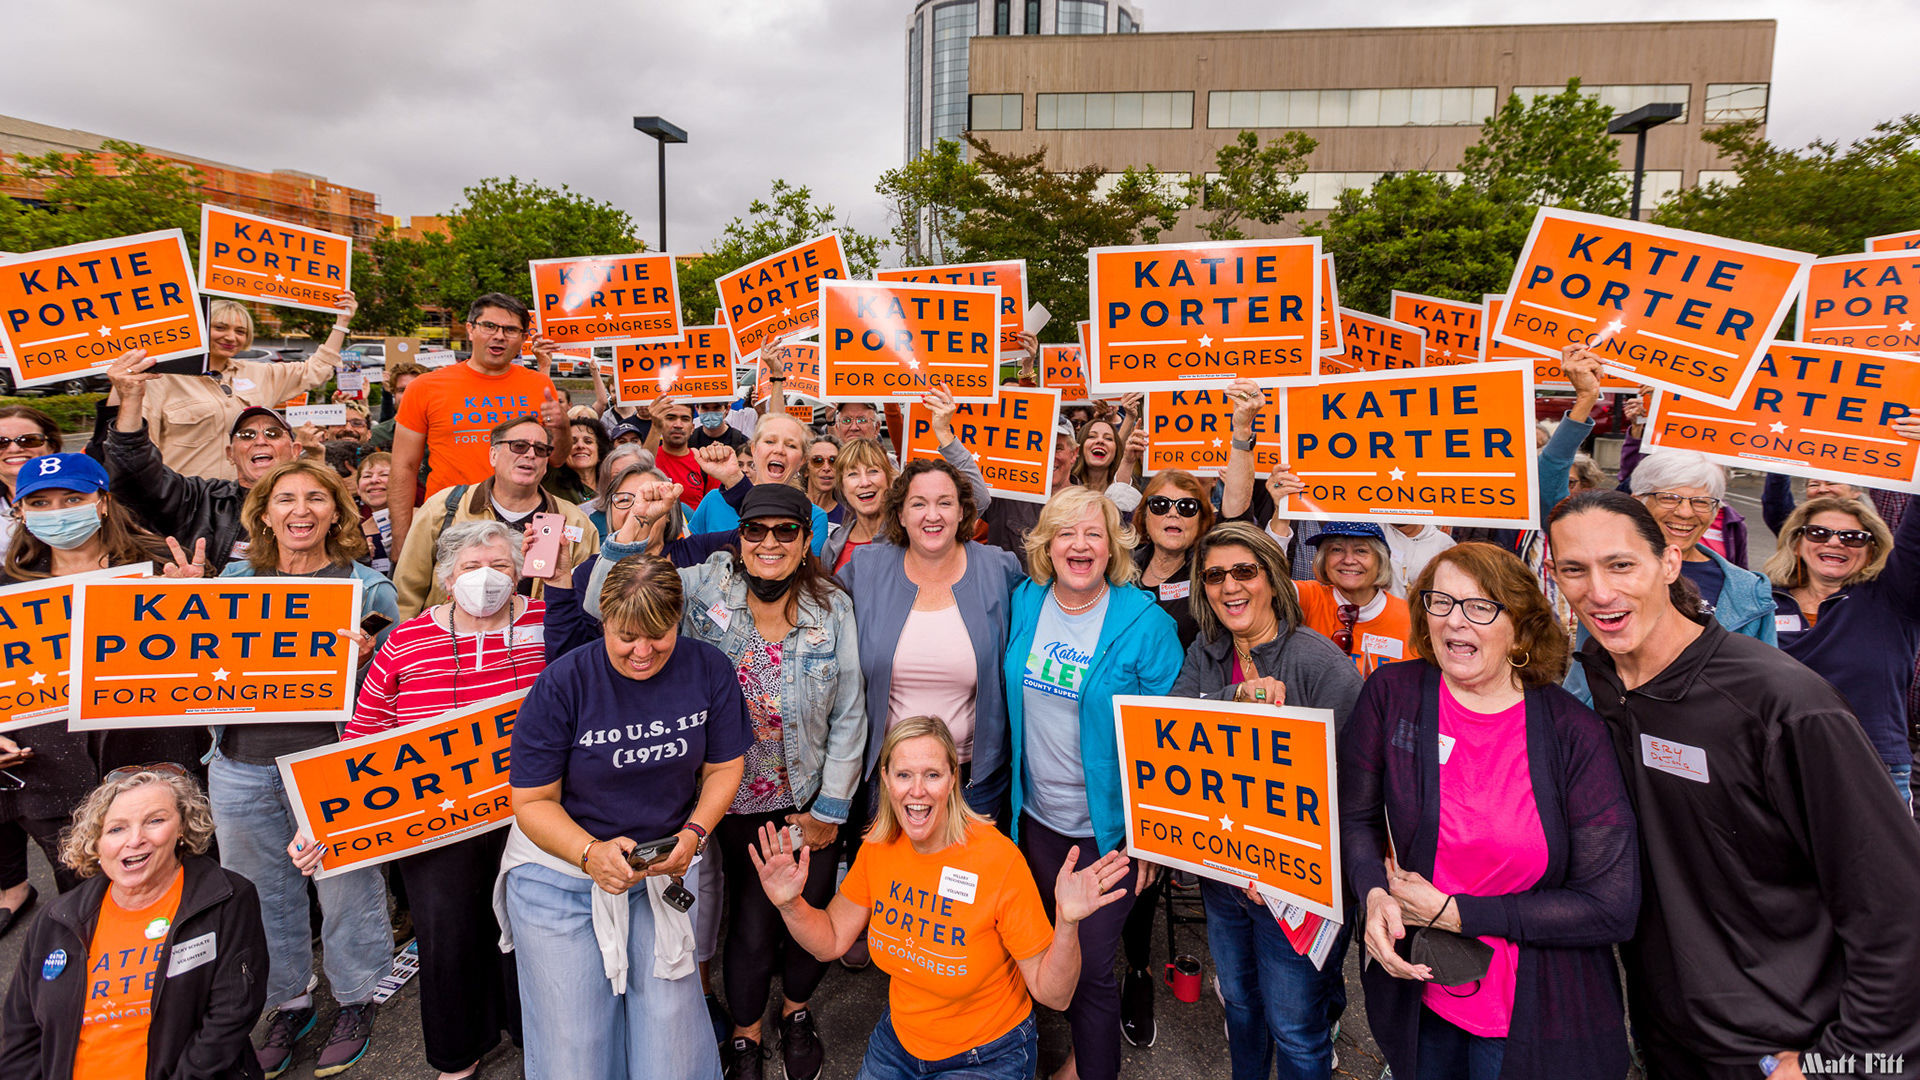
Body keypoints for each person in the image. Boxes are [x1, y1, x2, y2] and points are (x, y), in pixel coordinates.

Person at [1547, 490, 1920, 1076]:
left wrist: (1846, 1059)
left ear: (1670, 563)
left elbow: (1895, 901)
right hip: (1667, 1033)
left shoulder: (1781, 702)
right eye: (1575, 569)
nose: (1598, 591)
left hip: (1785, 1044)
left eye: (1620, 564)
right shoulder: (1599, 683)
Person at [591, 483, 867, 1080]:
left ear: (806, 539)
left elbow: (849, 712)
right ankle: (746, 1033)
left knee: (810, 915)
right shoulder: (701, 587)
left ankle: (795, 1012)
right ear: (738, 538)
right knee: (748, 923)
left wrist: (830, 810)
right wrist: (638, 526)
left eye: (785, 531)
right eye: (755, 531)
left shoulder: (832, 608)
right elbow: (602, 604)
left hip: (806, 800)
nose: (769, 542)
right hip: (723, 801)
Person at [1342, 543, 1640, 1080]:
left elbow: (1610, 906)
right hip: (1422, 986)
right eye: (1440, 602)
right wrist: (1374, 891)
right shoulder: (1393, 693)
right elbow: (1356, 816)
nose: (1455, 621)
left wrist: (1458, 913)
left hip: (1526, 1008)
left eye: (1480, 607)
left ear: (1521, 626)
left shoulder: (1575, 734)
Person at [749, 717, 1133, 1080]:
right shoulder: (879, 847)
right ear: (885, 780)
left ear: (952, 779)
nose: (917, 791)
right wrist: (789, 904)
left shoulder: (998, 861)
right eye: (903, 775)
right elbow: (830, 939)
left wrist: (1067, 922)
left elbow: (1056, 996)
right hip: (899, 1040)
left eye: (932, 774)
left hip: (988, 1053)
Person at [288, 521, 538, 1080]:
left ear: (519, 573)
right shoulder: (405, 641)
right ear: (448, 578)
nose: (487, 578)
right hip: (435, 824)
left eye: (499, 565)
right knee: (447, 936)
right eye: (472, 568)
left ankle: (537, 1036)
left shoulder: (551, 627)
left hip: (531, 818)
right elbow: (362, 734)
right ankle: (458, 1053)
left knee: (536, 932)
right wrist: (318, 821)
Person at [498, 554, 749, 1080]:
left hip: (663, 865)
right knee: (576, 1040)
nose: (643, 652)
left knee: (670, 1032)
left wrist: (696, 833)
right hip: (560, 873)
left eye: (659, 635)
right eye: (627, 636)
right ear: (603, 621)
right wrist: (589, 854)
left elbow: (726, 766)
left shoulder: (708, 668)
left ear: (679, 619)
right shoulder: (564, 683)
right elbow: (532, 803)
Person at [211, 459, 399, 1078]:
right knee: (263, 893)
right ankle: (289, 1002)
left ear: (337, 513)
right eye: (285, 498)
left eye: (316, 499)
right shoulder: (232, 579)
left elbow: (399, 684)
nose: (301, 510)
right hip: (239, 764)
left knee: (345, 887)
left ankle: (355, 998)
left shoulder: (367, 587)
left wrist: (368, 661)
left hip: (329, 761)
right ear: (263, 513)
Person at [1169, 522, 1364, 1075]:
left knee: (1297, 1029)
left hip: (1294, 892)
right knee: (1241, 1006)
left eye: (1244, 571)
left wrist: (1284, 870)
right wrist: (1234, 698)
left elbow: (1355, 792)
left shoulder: (1322, 665)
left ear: (1273, 580)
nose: (1229, 586)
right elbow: (1170, 735)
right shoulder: (1205, 655)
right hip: (1223, 877)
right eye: (1213, 575)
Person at [1006, 485, 1181, 1080]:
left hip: (1110, 836)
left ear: (1113, 547)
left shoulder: (1147, 623)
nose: (1079, 546)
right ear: (1046, 545)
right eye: (1065, 533)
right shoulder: (1025, 601)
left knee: (1090, 971)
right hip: (1034, 823)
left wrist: (1148, 837)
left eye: (1093, 534)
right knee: (1034, 956)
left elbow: (1168, 743)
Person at [0, 766, 267, 1080]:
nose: (135, 839)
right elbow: (21, 1036)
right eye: (116, 829)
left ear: (182, 828)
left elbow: (229, 1018)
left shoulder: (225, 899)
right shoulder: (58, 918)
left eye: (155, 821)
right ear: (97, 843)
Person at [389, 293, 569, 559]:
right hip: (451, 522)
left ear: (522, 338)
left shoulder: (539, 385)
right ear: (471, 330)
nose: (499, 336)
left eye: (510, 330)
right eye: (489, 326)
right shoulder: (425, 387)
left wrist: (563, 426)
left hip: (523, 526)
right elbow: (403, 467)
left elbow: (556, 458)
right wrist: (402, 541)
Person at [1766, 495, 1920, 803]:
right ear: (1797, 543)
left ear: (1872, 548)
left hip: (1871, 767)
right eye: (1819, 533)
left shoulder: (1892, 598)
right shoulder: (1761, 601)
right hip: (1776, 770)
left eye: (1853, 537)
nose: (1835, 542)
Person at [102, 351, 304, 572]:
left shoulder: (323, 502)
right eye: (246, 435)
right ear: (230, 454)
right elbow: (134, 472)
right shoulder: (200, 501)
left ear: (296, 450)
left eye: (273, 433)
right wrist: (131, 398)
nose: (261, 440)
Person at [390, 416, 599, 620]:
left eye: (541, 449)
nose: (530, 454)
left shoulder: (574, 521)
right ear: (493, 455)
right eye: (519, 445)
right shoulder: (443, 508)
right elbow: (407, 592)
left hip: (537, 647)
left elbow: (587, 600)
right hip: (450, 644)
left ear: (546, 463)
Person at [130, 294, 354, 480]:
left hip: (250, 501)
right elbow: (140, 451)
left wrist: (341, 323)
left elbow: (316, 369)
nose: (231, 337)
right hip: (189, 504)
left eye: (240, 331)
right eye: (220, 327)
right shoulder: (160, 378)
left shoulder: (258, 372)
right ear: (200, 327)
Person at [1263, 507, 1414, 677]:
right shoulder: (1310, 598)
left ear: (1380, 561)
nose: (1348, 560)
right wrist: (1282, 512)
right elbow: (1265, 581)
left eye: (1361, 551)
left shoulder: (1410, 618)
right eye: (1337, 550)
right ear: (1323, 560)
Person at [685, 413, 830, 555]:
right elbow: (688, 554)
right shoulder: (714, 500)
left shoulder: (814, 517)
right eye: (770, 442)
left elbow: (808, 574)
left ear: (802, 461)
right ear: (754, 450)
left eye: (791, 445)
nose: (779, 450)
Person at [822, 437, 896, 572]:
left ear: (889, 479)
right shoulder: (832, 545)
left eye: (873, 471)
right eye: (853, 474)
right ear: (842, 487)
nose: (864, 482)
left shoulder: (909, 535)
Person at [0, 405, 61, 552]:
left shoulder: (88, 490)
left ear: (52, 446)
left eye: (29, 440)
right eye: (1, 442)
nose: (14, 449)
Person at [644, 397, 716, 508]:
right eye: (671, 418)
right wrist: (655, 427)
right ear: (660, 423)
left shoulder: (705, 463)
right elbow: (641, 470)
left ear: (692, 428)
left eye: (685, 419)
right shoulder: (650, 456)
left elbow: (713, 509)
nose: (678, 424)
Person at [547, 416, 610, 505]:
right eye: (572, 442)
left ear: (600, 450)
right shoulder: (550, 478)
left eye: (588, 441)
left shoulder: (612, 484)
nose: (580, 445)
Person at [369, 362, 426, 449]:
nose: (407, 395)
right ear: (394, 393)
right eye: (402, 390)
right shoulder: (377, 435)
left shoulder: (445, 432)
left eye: (415, 389)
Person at [355, 451, 394, 573]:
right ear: (358, 488)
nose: (374, 480)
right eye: (367, 476)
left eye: (384, 475)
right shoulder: (354, 534)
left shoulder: (422, 519)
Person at [806, 433, 841, 520]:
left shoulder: (848, 517)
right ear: (805, 470)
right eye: (817, 460)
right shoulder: (791, 508)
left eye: (833, 461)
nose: (826, 468)